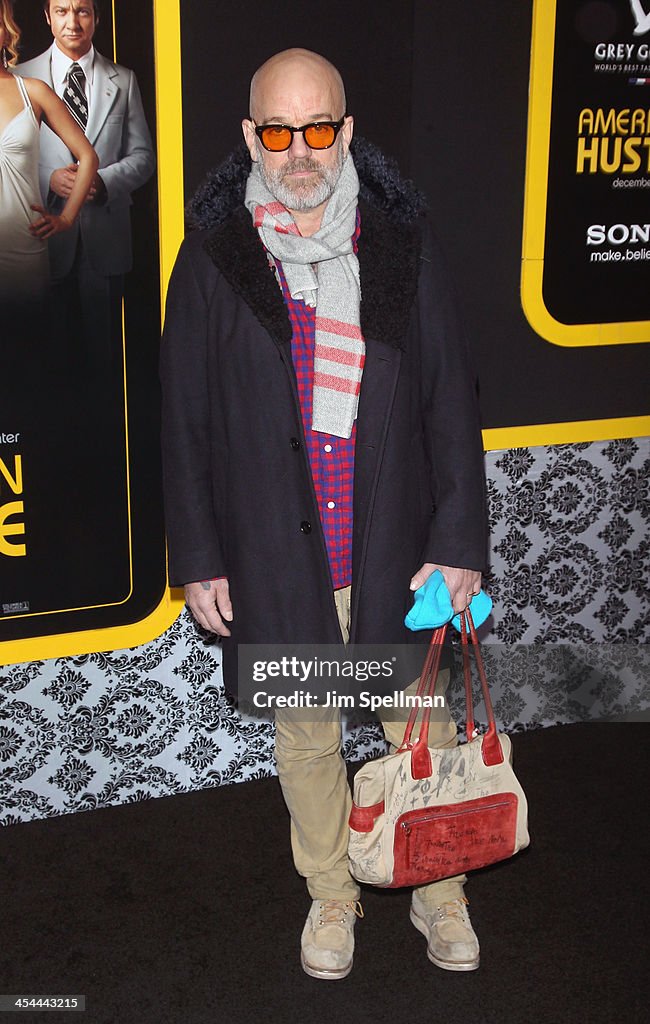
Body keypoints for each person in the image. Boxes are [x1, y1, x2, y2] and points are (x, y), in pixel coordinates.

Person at [160, 48, 488, 981]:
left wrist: (459, 541)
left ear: (345, 131)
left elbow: (450, 403)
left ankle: (441, 893)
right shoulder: (214, 256)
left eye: (315, 129)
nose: (297, 150)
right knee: (305, 739)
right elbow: (182, 417)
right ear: (249, 137)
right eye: (276, 130)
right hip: (277, 557)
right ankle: (332, 898)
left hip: (395, 557)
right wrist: (201, 555)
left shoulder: (400, 243)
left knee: (420, 735)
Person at [16, 0, 154, 370]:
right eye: (62, 11)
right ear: (47, 17)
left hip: (105, 236)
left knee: (104, 356)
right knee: (45, 357)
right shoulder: (19, 77)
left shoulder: (123, 80)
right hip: (38, 235)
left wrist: (102, 181)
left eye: (82, 11)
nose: (72, 22)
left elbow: (143, 157)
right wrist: (49, 178)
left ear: (96, 18)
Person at [0, 0, 97, 306]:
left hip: (24, 248)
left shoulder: (34, 91)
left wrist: (66, 218)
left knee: (30, 346)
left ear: (6, 31)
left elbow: (88, 157)